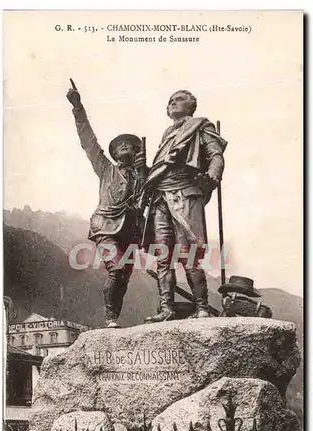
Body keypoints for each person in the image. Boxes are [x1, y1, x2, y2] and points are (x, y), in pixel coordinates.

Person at [140, 89, 227, 322]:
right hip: (159, 199)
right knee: (163, 256)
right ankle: (166, 309)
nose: (171, 103)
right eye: (169, 101)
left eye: (178, 99)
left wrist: (212, 177)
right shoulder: (167, 133)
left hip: (184, 194)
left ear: (191, 105)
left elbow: (216, 155)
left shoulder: (200, 126)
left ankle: (202, 308)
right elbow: (159, 170)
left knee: (188, 254)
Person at [66, 85, 147, 328]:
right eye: (119, 145)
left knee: (124, 279)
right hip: (106, 226)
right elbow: (88, 142)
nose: (124, 146)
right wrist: (78, 109)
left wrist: (145, 174)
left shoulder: (145, 174)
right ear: (113, 152)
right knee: (116, 270)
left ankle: (114, 319)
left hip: (131, 232)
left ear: (137, 151)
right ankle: (110, 318)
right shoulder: (105, 168)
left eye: (129, 145)